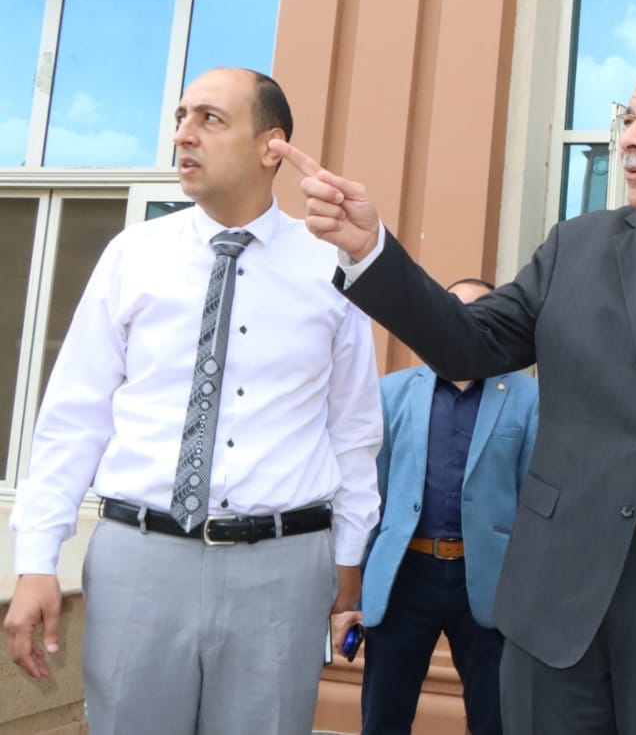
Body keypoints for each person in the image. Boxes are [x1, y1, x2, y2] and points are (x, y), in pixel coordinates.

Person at [273, 51, 636, 734]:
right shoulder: (577, 247)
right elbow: (466, 345)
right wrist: (371, 250)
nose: (631, 139)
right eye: (628, 119)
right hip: (555, 613)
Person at [3, 67, 383, 735]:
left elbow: (353, 431)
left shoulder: (331, 266)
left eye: (210, 119)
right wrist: (36, 560)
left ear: (271, 146)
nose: (183, 134)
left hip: (282, 569)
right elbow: (73, 418)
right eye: (181, 117)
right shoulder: (133, 255)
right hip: (139, 560)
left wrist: (347, 561)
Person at [333, 277, 538, 735]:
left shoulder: (528, 399)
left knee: (495, 720)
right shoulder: (391, 393)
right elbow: (369, 495)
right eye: (451, 310)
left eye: (477, 313)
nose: (461, 322)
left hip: (489, 583)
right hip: (405, 577)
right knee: (384, 717)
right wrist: (353, 594)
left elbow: (534, 504)